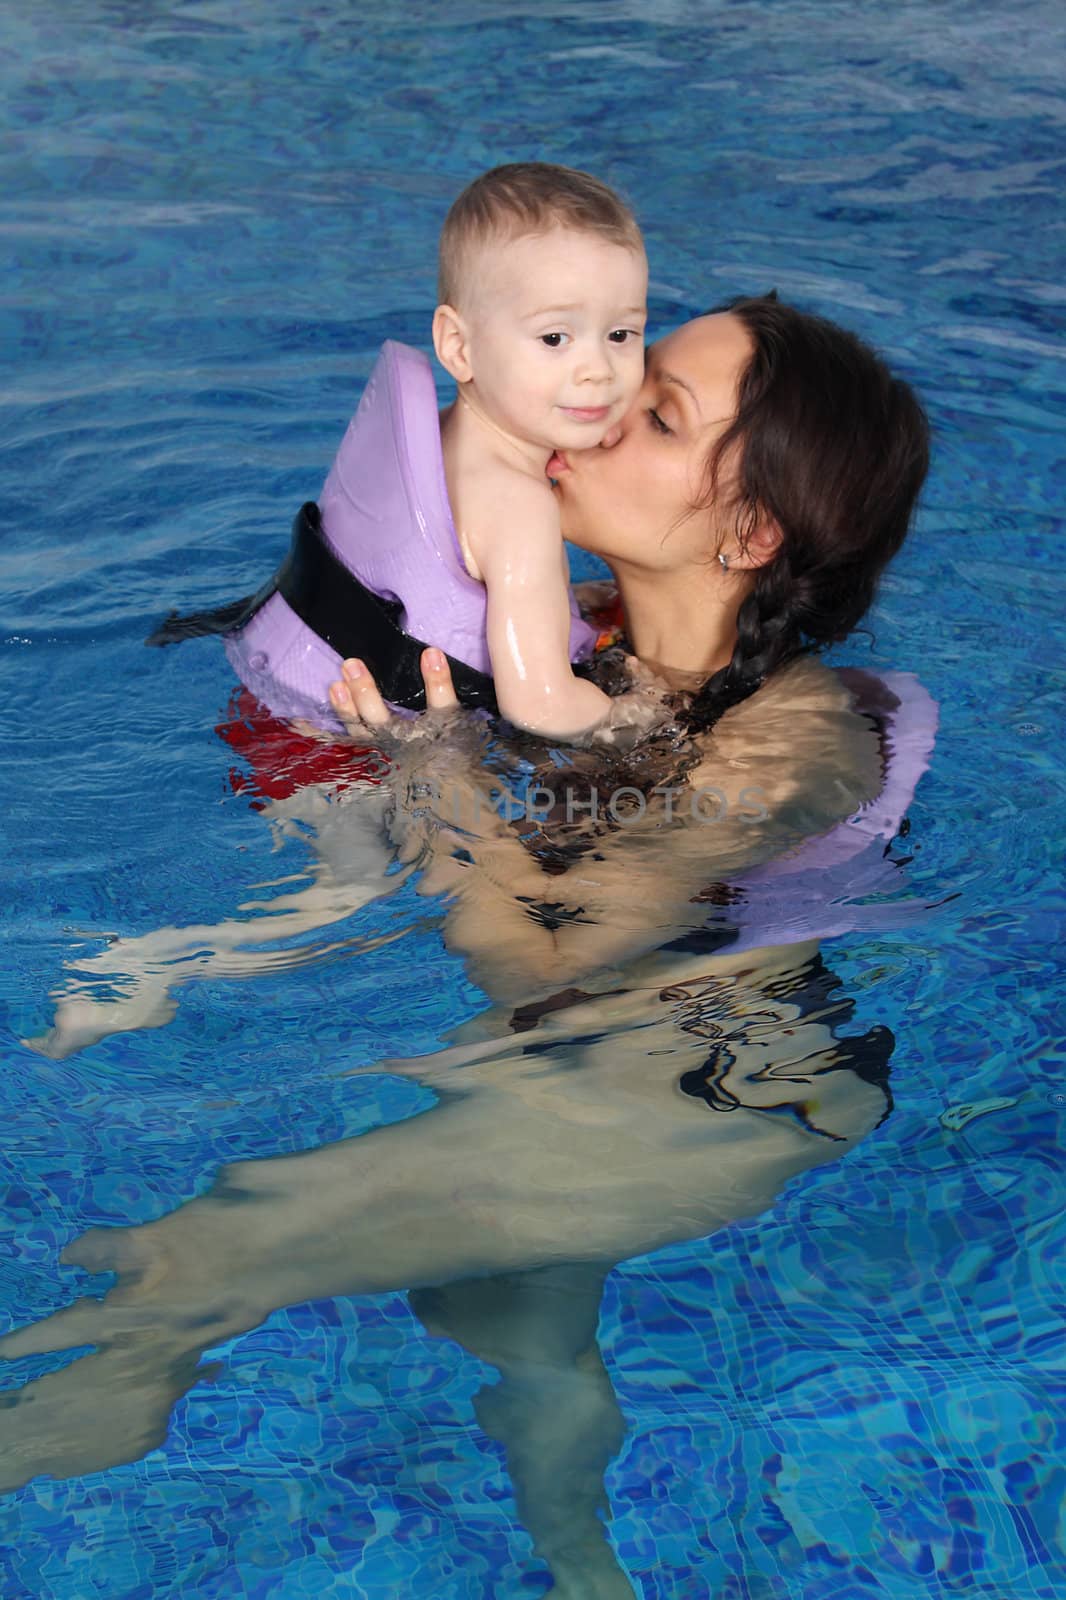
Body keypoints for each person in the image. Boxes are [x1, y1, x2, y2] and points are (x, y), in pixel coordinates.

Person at [9, 297, 930, 1595]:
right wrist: (196, 955)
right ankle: (583, 1565)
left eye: (654, 411)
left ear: (749, 529)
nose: (594, 399)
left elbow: (543, 956)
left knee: (194, 1255)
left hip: (701, 1104)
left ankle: (121, 1403)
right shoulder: (584, 650)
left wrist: (439, 785)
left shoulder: (784, 745)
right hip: (593, 1077)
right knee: (515, 1330)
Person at [429, 162, 656, 740]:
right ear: (459, 346)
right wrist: (644, 720)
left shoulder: (437, 441)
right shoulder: (519, 505)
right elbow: (539, 705)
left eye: (621, 334)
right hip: (341, 765)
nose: (598, 370)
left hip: (286, 715)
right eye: (555, 338)